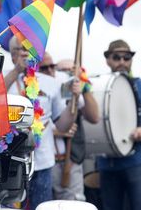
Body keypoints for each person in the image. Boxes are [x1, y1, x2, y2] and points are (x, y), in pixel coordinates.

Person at [4, 40, 77, 208]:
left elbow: (62, 125)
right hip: (8, 163)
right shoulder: (1, 77)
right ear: (13, 55)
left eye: (28, 50)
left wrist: (74, 100)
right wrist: (17, 71)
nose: (25, 54)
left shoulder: (51, 83)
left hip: (42, 163)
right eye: (20, 50)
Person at [97, 39, 141, 210]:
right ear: (108, 60)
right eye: (117, 57)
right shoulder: (99, 86)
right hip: (107, 164)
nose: (122, 61)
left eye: (127, 57)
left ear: (131, 60)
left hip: (137, 163)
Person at [43, 56, 100, 201]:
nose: (68, 76)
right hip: (45, 162)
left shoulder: (74, 94)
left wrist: (84, 84)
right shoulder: (42, 89)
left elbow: (94, 117)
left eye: (71, 72)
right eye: (64, 71)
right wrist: (56, 131)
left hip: (69, 161)